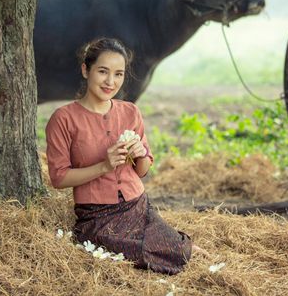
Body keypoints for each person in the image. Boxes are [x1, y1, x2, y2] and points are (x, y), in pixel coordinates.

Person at [45, 37, 201, 275]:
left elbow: (142, 171)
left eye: (118, 74)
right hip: (97, 217)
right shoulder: (64, 119)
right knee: (136, 253)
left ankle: (182, 247)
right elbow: (58, 178)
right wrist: (103, 166)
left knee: (178, 250)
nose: (110, 81)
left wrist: (140, 155)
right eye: (103, 72)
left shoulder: (130, 112)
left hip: (137, 206)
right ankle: (177, 248)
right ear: (86, 70)